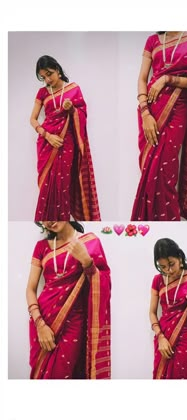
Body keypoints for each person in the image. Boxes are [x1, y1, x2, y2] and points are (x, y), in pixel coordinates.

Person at [131, 31, 187, 221]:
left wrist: (167, 79)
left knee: (165, 176)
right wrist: (145, 113)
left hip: (178, 108)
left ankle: (168, 222)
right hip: (150, 110)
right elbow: (142, 79)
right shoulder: (153, 40)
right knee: (149, 174)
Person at [26, 221, 111, 379]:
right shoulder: (41, 247)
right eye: (43, 219)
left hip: (73, 322)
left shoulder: (90, 242)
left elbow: (104, 281)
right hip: (42, 320)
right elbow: (30, 289)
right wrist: (39, 324)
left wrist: (86, 261)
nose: (49, 221)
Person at [30, 55, 100, 221]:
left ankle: (62, 223)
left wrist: (72, 110)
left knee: (62, 186)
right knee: (47, 187)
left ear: (58, 70)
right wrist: (47, 135)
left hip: (66, 143)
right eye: (43, 77)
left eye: (49, 74)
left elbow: (82, 115)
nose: (47, 79)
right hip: (47, 143)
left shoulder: (73, 89)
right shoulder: (42, 92)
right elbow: (32, 119)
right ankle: (46, 223)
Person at [149, 238, 187, 379]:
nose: (168, 270)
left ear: (180, 258)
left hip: (185, 339)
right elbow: (152, 312)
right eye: (162, 267)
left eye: (171, 264)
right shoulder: (157, 280)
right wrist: (160, 337)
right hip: (163, 337)